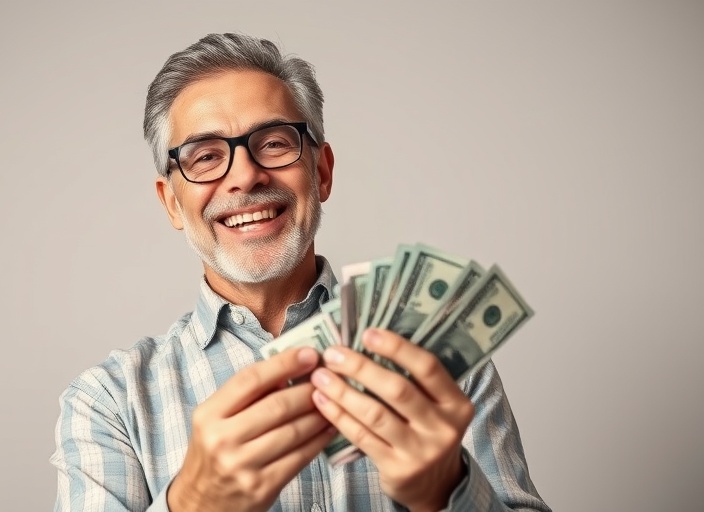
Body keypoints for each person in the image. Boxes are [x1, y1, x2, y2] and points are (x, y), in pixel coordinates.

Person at [50, 33, 550, 512]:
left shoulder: (438, 356)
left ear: (322, 172)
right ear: (172, 203)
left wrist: (449, 491)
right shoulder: (110, 401)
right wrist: (195, 505)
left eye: (273, 143)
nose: (245, 176)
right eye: (205, 157)